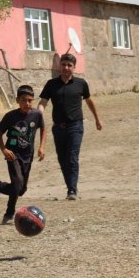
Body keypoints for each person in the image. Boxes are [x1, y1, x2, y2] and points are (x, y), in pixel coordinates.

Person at [38, 53, 103, 200]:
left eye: (69, 65)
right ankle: (70, 187)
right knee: (62, 159)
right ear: (59, 65)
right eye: (63, 64)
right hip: (58, 128)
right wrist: (38, 113)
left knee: (72, 157)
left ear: (74, 67)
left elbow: (89, 101)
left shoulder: (81, 84)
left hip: (75, 126)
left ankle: (72, 190)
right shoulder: (51, 84)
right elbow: (43, 102)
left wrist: (97, 119)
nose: (66, 68)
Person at [0, 85, 46, 223]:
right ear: (17, 100)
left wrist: (42, 147)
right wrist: (4, 149)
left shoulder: (37, 115)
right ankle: (9, 214)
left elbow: (43, 129)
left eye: (30, 100)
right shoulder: (10, 116)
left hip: (28, 155)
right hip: (12, 154)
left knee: (21, 190)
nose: (27, 103)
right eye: (24, 100)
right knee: (17, 183)